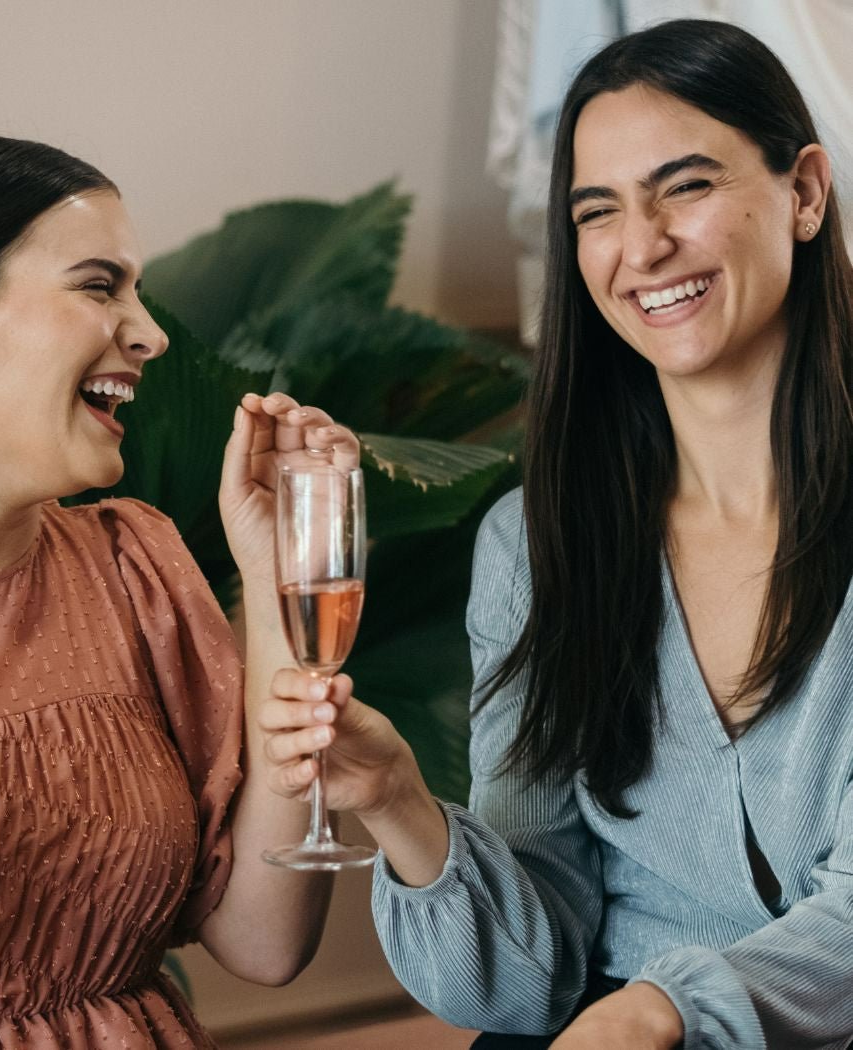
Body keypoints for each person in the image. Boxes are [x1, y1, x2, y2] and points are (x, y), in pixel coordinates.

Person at [262, 18, 853, 1050]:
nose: (643, 246)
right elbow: (529, 976)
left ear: (804, 192)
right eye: (598, 210)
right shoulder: (535, 548)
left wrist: (662, 1012)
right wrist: (400, 800)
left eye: (687, 187)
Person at [0, 133, 359, 1049]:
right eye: (100, 286)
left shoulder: (133, 563)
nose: (150, 333)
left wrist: (273, 578)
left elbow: (265, 941)